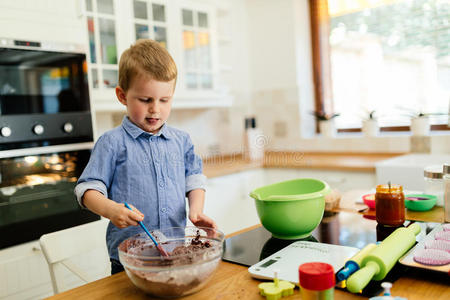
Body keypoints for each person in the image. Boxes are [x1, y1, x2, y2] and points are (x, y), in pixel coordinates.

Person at [74, 39, 217, 274]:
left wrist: (196, 211)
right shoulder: (112, 143)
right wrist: (111, 209)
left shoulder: (181, 141)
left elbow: (194, 178)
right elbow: (87, 190)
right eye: (145, 100)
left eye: (164, 100)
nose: (155, 109)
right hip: (129, 260)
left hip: (174, 253)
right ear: (122, 96)